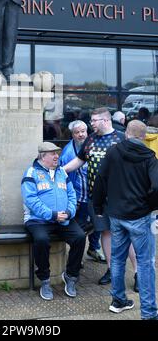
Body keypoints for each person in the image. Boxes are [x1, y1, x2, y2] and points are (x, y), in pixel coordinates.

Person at [63, 108, 138, 289]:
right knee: (106, 232)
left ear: (105, 120)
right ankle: (112, 270)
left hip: (121, 197)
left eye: (94, 121)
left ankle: (138, 273)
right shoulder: (91, 139)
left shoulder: (122, 138)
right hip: (96, 198)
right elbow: (80, 160)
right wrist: (60, 171)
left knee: (126, 234)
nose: (92, 124)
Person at [93, 120, 158, 319]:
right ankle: (148, 313)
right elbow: (156, 187)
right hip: (139, 216)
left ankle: (118, 300)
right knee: (146, 263)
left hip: (116, 216)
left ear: (127, 134)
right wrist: (150, 207)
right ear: (143, 136)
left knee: (118, 259)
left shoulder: (112, 152)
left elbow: (100, 179)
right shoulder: (150, 157)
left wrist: (97, 207)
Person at [21, 142, 86, 301]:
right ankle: (44, 280)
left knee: (80, 237)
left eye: (57, 153)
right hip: (38, 221)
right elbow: (31, 200)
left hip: (63, 219)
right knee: (42, 240)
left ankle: (70, 277)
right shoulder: (31, 172)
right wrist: (52, 214)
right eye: (53, 154)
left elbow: (72, 195)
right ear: (43, 156)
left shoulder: (62, 172)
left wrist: (69, 212)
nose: (57, 156)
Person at [60, 120, 105, 263]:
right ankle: (76, 258)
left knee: (98, 224)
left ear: (87, 131)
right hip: (79, 198)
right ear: (72, 135)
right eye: (77, 132)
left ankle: (94, 248)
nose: (80, 135)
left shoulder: (94, 145)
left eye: (83, 131)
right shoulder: (68, 153)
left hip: (95, 196)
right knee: (79, 229)